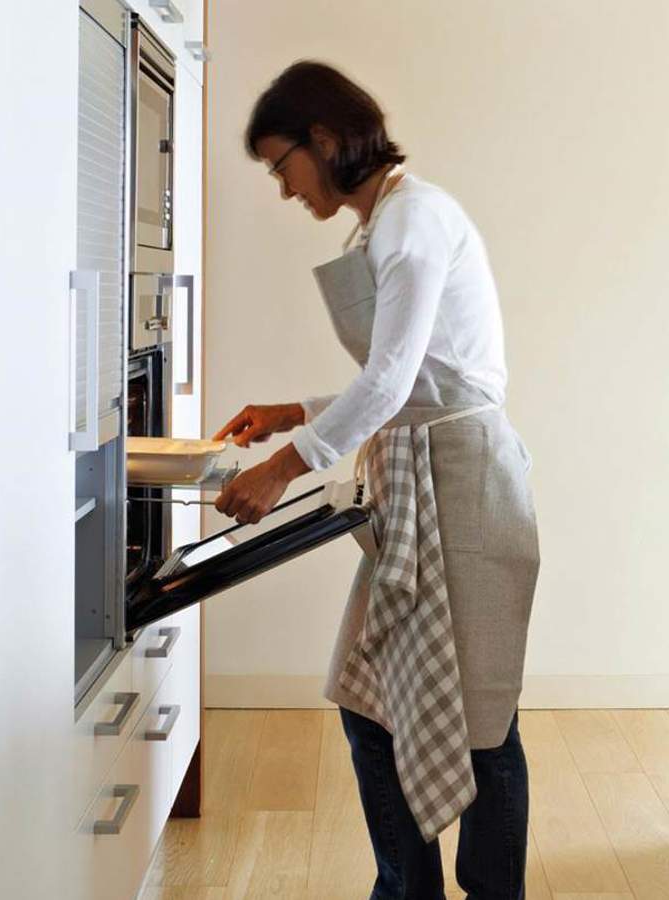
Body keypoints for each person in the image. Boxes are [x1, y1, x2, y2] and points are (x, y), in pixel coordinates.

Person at [211, 60, 540, 900]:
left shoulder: (414, 220)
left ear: (324, 140)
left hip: (464, 481)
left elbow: (397, 384)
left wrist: (284, 468)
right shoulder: (386, 223)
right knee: (370, 696)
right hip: (425, 471)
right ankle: (408, 890)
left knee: (481, 715)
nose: (286, 189)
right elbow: (424, 379)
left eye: (282, 164)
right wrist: (293, 411)